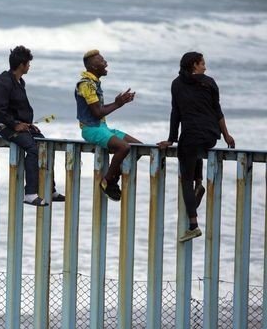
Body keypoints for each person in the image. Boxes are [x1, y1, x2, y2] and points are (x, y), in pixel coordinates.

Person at [157, 52, 235, 243]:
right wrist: (226, 135)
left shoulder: (176, 84)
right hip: (210, 136)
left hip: (191, 137)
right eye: (202, 64)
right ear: (194, 65)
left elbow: (176, 113)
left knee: (186, 179)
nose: (205, 67)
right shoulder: (209, 82)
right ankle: (199, 184)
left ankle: (193, 225)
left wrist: (171, 139)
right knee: (196, 151)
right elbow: (218, 111)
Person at [0, 45, 65, 207]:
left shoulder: (19, 81)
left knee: (45, 144)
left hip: (20, 126)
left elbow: (17, 110)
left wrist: (28, 125)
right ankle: (30, 193)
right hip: (6, 127)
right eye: (28, 63)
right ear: (22, 65)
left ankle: (50, 189)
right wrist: (15, 125)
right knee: (32, 148)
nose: (29, 66)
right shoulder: (3, 82)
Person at [75, 50, 140, 201]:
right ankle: (108, 181)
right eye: (102, 60)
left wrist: (120, 103)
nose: (106, 63)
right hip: (91, 129)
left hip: (102, 128)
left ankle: (113, 177)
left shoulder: (94, 83)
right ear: (93, 66)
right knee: (124, 147)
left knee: (138, 147)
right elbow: (97, 113)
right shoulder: (86, 85)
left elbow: (99, 111)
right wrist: (118, 104)